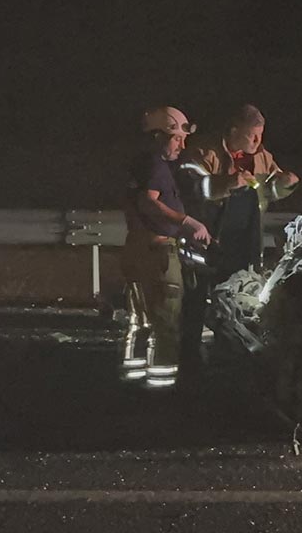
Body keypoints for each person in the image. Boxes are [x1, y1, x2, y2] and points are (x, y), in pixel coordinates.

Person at [176, 103, 299, 370]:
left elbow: (270, 191)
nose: (258, 142)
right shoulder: (204, 152)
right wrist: (227, 183)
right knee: (196, 300)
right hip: (205, 243)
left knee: (234, 301)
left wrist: (285, 184)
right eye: (252, 135)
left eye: (261, 136)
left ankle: (228, 357)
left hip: (243, 245)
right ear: (233, 130)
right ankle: (188, 360)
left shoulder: (262, 156)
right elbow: (192, 188)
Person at [120, 106, 211, 390]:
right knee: (166, 325)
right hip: (158, 255)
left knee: (141, 322)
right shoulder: (156, 165)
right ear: (158, 136)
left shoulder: (139, 164)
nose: (182, 144)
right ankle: (163, 387)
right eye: (175, 138)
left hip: (136, 251)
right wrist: (187, 222)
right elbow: (149, 202)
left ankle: (133, 380)